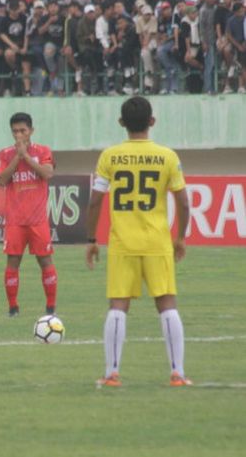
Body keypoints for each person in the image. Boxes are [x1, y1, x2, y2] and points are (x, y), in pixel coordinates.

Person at [86, 96, 191, 387]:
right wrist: (180, 237)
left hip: (122, 243)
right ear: (152, 122)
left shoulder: (110, 156)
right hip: (157, 242)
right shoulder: (167, 156)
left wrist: (92, 238)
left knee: (118, 305)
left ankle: (111, 374)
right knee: (167, 304)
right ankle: (177, 374)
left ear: (122, 123)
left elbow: (95, 201)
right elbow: (183, 202)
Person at [0, 112, 57, 317]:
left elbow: (47, 174)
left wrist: (27, 157)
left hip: (38, 220)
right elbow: (2, 180)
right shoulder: (4, 154)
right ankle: (13, 308)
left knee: (45, 261)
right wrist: (17, 157)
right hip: (15, 221)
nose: (19, 135)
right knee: (12, 263)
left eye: (23, 130)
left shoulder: (43, 151)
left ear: (31, 131)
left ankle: (50, 307)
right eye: (15, 131)